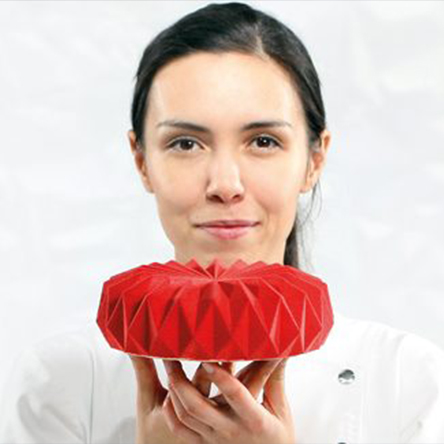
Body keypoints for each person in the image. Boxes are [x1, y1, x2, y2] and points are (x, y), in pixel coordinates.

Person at [1, 2, 444, 443]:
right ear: (142, 161)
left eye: (264, 141)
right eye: (186, 143)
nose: (225, 185)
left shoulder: (408, 380)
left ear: (314, 160)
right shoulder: (61, 384)